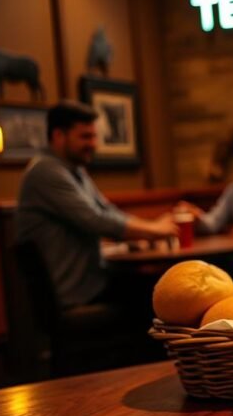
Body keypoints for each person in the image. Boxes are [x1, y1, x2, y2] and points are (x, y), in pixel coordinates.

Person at [16, 101, 177, 306]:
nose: (94, 144)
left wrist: (149, 229)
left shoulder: (74, 170)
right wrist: (155, 229)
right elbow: (95, 220)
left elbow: (107, 210)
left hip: (91, 283)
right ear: (58, 136)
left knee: (158, 287)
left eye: (94, 136)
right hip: (75, 294)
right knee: (159, 293)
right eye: (85, 136)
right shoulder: (45, 171)